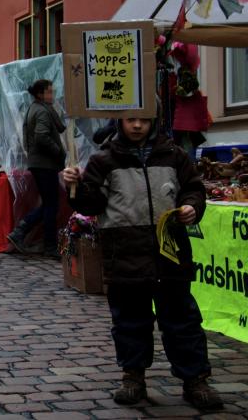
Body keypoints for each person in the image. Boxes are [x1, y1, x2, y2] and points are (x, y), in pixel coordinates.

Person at [62, 115, 222, 411]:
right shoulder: (104, 160)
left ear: (154, 122)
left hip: (170, 253)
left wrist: (192, 206)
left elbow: (193, 188)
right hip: (124, 254)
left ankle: (195, 380)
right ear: (119, 121)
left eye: (144, 121)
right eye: (131, 120)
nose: (137, 126)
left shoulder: (174, 155)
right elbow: (91, 204)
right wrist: (74, 185)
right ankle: (133, 376)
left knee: (182, 321)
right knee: (129, 321)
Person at [6, 79, 66, 259]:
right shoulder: (41, 111)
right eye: (49, 92)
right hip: (45, 163)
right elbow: (41, 136)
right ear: (40, 94)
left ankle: (21, 231)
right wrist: (58, 152)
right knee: (51, 205)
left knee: (49, 204)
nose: (52, 95)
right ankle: (47, 244)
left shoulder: (36, 108)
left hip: (40, 163)